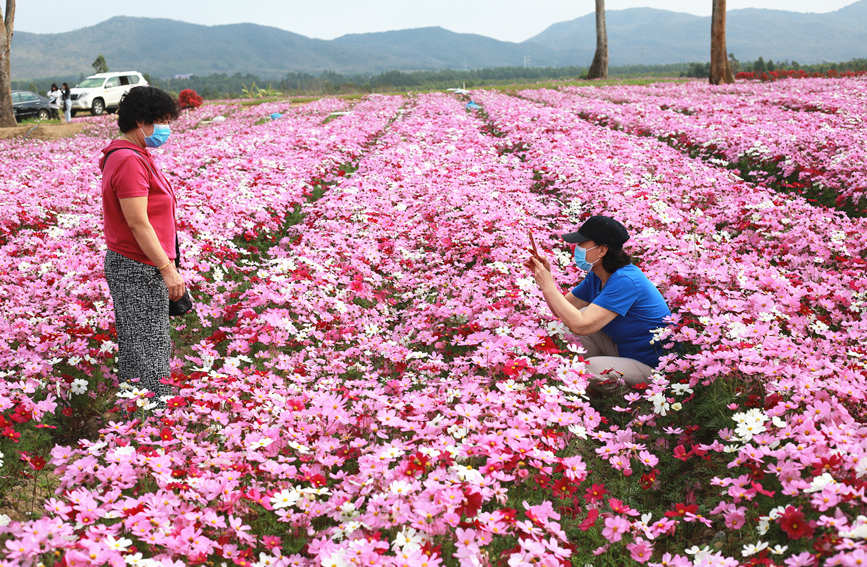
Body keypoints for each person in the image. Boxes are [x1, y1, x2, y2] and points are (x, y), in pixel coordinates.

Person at [526, 215, 671, 396]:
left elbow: (582, 325)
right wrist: (546, 278)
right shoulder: (598, 275)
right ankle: (587, 383)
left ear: (602, 250)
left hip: (650, 366)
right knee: (568, 322)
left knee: (590, 369)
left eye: (582, 244)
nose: (576, 249)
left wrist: (548, 285)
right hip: (622, 348)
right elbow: (562, 310)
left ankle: (629, 399)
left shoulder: (625, 281)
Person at [99, 86, 182, 404]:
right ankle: (157, 409)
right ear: (140, 121)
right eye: (160, 121)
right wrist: (166, 267)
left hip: (137, 262)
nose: (164, 128)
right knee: (149, 343)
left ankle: (137, 409)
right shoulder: (128, 161)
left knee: (141, 342)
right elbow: (137, 221)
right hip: (139, 265)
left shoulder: (130, 155)